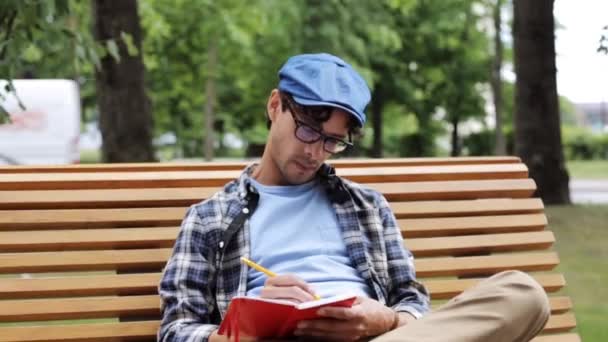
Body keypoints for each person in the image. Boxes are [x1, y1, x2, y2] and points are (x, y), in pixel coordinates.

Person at [158, 53, 550, 342]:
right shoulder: (210, 218)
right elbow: (176, 331)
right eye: (309, 131)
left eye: (333, 141)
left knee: (523, 293)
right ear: (275, 105)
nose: (315, 152)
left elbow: (412, 303)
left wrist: (386, 321)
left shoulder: (367, 207)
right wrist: (247, 325)